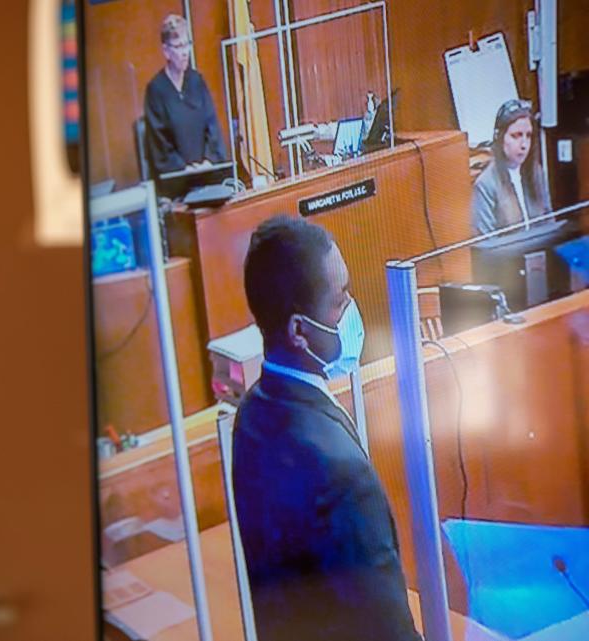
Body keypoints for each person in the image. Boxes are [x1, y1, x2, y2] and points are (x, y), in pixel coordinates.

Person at [233, 216, 422, 641]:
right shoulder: (341, 473)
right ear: (299, 330)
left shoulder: (250, 416)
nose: (352, 309)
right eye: (340, 302)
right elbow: (388, 628)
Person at [143, 15, 227, 178]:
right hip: (177, 181)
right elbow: (160, 147)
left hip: (207, 172)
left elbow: (213, 128)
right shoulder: (155, 91)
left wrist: (208, 162)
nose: (185, 52)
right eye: (179, 46)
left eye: (187, 44)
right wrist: (184, 170)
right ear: (166, 51)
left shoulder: (197, 82)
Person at [473, 99, 551, 234]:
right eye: (516, 136)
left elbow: (549, 223)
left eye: (528, 136)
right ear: (500, 137)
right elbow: (487, 246)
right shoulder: (485, 185)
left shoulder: (536, 172)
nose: (524, 144)